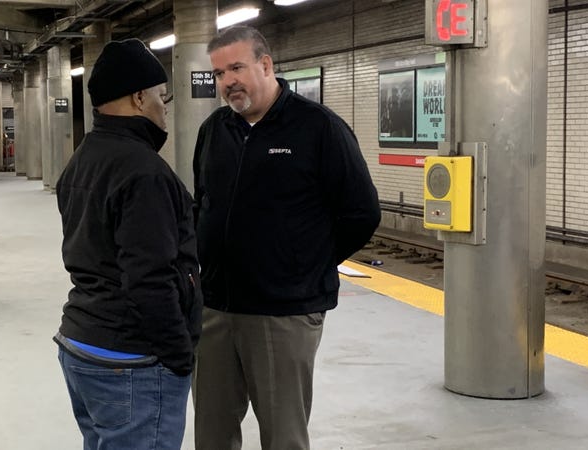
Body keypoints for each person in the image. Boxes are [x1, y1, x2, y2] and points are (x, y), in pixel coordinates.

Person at [192, 25, 381, 450]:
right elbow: (202, 202)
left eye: (236, 68)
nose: (228, 81)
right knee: (211, 434)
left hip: (283, 312)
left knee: (283, 438)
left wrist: (306, 263)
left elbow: (362, 212)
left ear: (266, 64)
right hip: (216, 308)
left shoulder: (318, 128)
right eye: (220, 73)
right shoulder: (215, 130)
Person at [53, 38, 202, 450]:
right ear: (138, 97)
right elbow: (149, 278)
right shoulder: (144, 171)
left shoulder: (84, 158)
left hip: (82, 343)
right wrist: (178, 355)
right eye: (160, 95)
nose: (164, 104)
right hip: (131, 358)